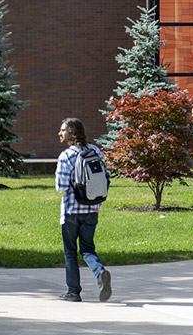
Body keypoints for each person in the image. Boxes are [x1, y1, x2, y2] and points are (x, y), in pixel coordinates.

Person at [55, 117, 112, 302]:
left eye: (63, 130)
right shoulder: (95, 150)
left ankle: (73, 292)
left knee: (70, 251)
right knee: (87, 248)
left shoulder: (66, 155)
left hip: (72, 212)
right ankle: (99, 271)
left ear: (71, 132)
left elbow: (61, 187)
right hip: (93, 208)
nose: (60, 133)